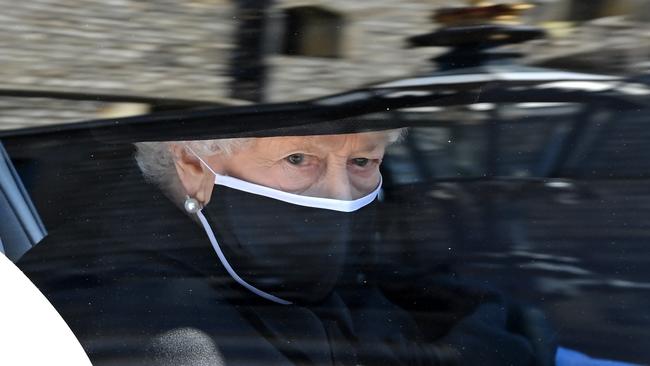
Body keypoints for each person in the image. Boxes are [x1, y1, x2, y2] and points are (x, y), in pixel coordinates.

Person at [18, 129, 556, 365]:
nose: (341, 196)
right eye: (299, 159)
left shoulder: (260, 257)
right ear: (191, 165)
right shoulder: (140, 326)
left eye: (363, 162)